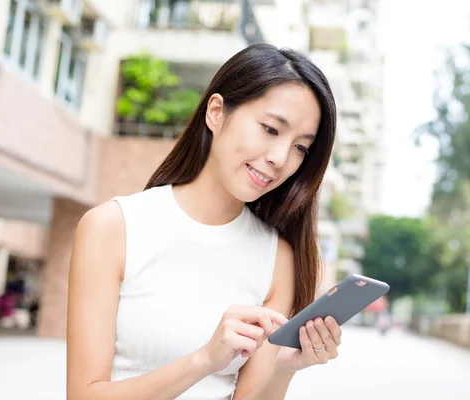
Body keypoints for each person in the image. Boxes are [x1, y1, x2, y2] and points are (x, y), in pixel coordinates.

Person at [67, 43, 340, 400]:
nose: (279, 158)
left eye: (301, 148)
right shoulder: (114, 227)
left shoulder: (277, 258)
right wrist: (204, 360)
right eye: (271, 129)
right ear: (216, 112)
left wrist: (284, 369)